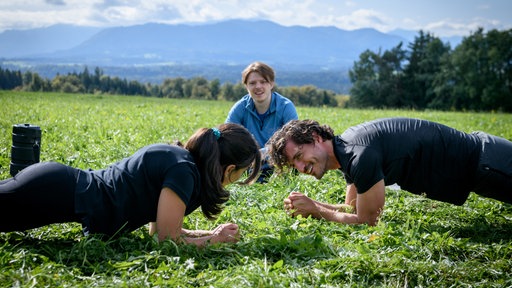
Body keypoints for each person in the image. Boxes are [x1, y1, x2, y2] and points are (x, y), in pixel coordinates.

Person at [0, 123, 261, 247]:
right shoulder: (184, 171)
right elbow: (166, 239)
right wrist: (215, 240)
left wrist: (208, 233)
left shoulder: (182, 163)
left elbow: (159, 228)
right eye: (244, 170)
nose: (242, 176)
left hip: (58, 188)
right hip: (54, 189)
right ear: (229, 169)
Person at [267, 117, 512, 226]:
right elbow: (353, 209)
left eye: (299, 156)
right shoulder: (346, 152)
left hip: (490, 162)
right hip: (485, 163)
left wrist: (316, 211)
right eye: (294, 165)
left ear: (316, 137)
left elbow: (367, 221)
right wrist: (311, 204)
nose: (301, 168)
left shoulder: (359, 155)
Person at [226, 61, 298, 183]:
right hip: (248, 167)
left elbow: (293, 140)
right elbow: (226, 136)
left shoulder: (286, 107)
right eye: (252, 83)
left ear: (271, 84)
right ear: (246, 86)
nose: (258, 86)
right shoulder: (240, 108)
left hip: (280, 166)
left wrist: (261, 154)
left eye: (263, 82)